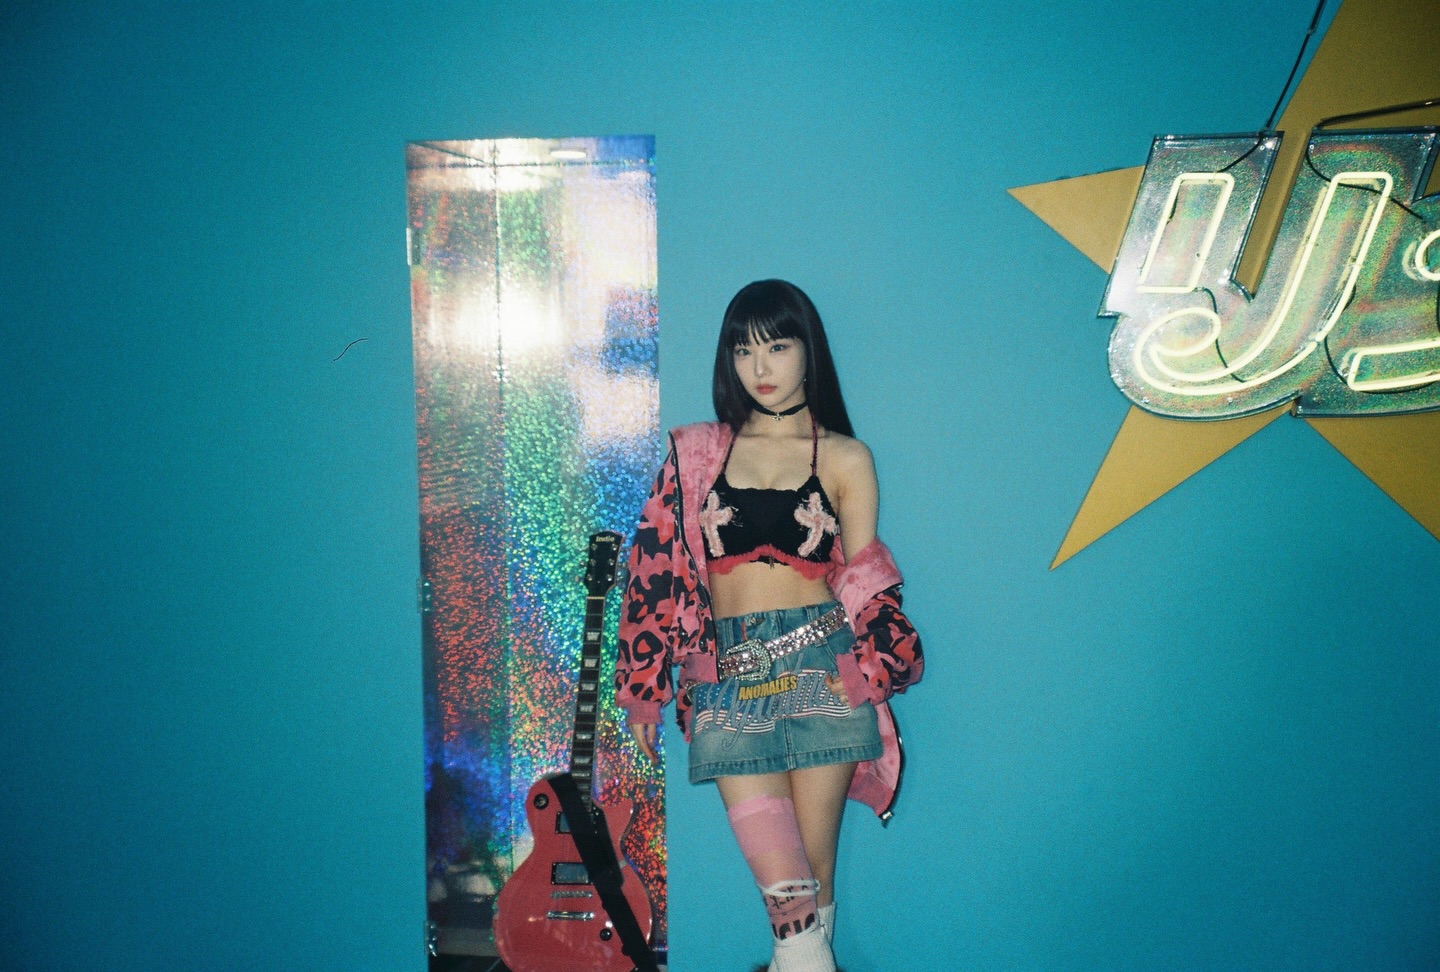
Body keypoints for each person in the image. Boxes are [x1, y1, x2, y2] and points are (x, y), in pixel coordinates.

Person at [615, 279, 924, 972]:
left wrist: (875, 666)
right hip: (730, 682)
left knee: (815, 880)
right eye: (742, 350)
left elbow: (866, 580)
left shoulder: (845, 457)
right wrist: (642, 689)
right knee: (788, 896)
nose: (759, 367)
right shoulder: (697, 454)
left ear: (807, 351)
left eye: (777, 347)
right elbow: (653, 570)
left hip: (824, 672)